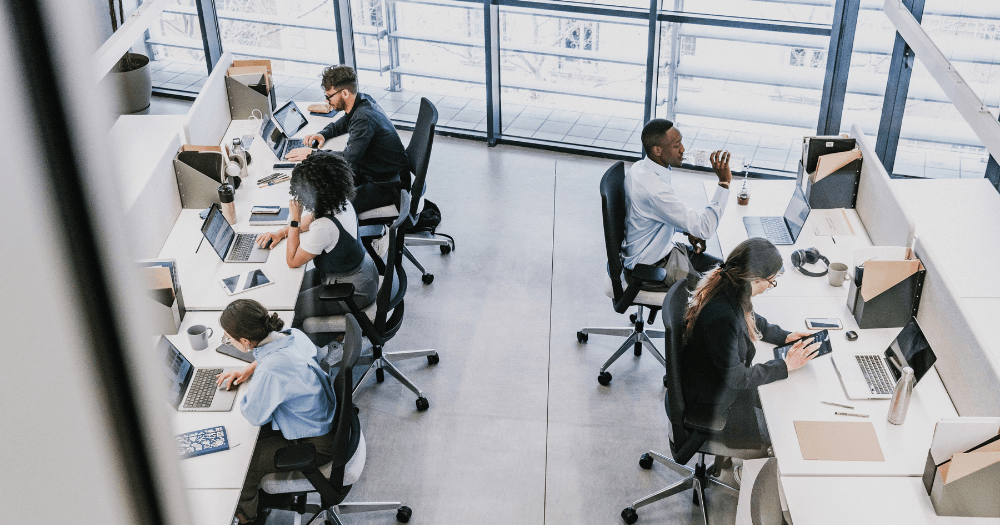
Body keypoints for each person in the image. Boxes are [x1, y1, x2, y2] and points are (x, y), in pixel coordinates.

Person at [681, 238, 820, 450]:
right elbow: (737, 378)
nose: (769, 286)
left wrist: (783, 336)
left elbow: (748, 315)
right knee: (783, 440)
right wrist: (785, 365)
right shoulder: (721, 316)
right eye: (771, 281)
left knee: (785, 403)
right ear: (755, 278)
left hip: (711, 379)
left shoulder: (730, 285)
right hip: (714, 403)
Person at [214, 299, 336, 525]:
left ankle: (248, 519)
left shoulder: (272, 369)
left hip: (316, 444)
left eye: (228, 338)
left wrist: (256, 382)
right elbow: (274, 357)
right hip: (323, 419)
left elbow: (254, 415)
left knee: (242, 464)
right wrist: (249, 369)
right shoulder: (293, 335)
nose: (227, 342)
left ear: (245, 341)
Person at [254, 151, 379, 316]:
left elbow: (292, 261)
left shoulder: (324, 227)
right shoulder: (340, 200)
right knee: (286, 291)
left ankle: (335, 334)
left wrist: (294, 219)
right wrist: (281, 232)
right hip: (362, 274)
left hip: (354, 292)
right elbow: (312, 218)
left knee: (289, 311)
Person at [623, 119, 733, 291]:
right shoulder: (655, 190)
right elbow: (705, 229)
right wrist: (724, 183)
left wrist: (687, 229)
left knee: (730, 272)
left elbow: (656, 214)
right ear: (657, 150)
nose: (683, 149)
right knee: (722, 289)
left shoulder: (640, 168)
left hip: (661, 250)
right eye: (676, 145)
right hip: (654, 266)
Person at [284, 65, 408, 215]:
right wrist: (324, 134)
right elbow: (345, 121)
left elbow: (347, 159)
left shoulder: (364, 118)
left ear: (345, 93)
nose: (327, 100)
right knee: (325, 186)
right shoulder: (362, 100)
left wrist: (312, 154)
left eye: (329, 96)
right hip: (377, 171)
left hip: (387, 184)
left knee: (332, 209)